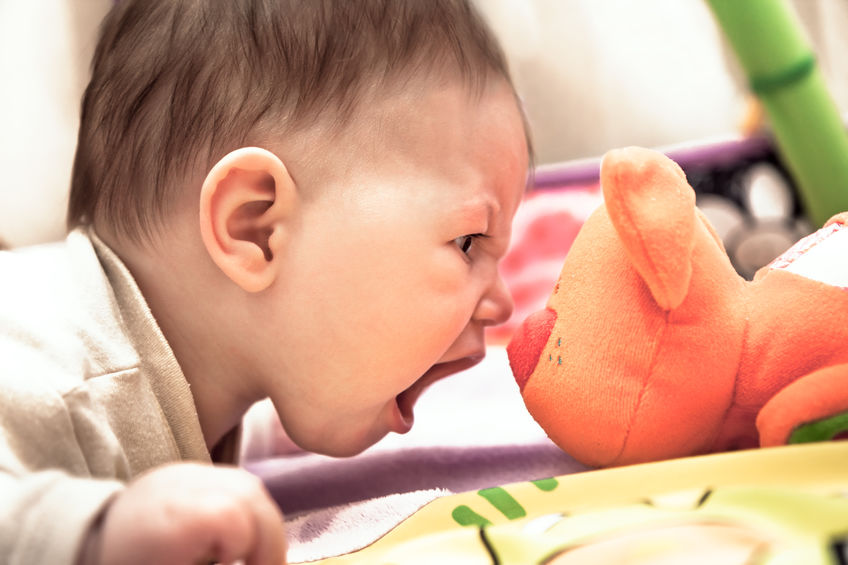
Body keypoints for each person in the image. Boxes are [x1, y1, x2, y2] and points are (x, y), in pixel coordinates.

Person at [0, 0, 530, 563]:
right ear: (256, 228)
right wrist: (91, 539)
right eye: (469, 241)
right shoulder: (57, 372)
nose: (502, 304)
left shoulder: (195, 383)